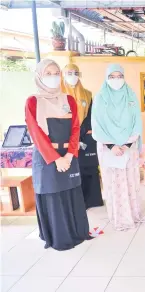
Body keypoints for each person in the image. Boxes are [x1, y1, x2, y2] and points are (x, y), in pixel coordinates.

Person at [25, 59, 91, 250]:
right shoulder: (33, 101)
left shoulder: (68, 100)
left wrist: (70, 154)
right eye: (48, 73)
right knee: (53, 193)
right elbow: (36, 133)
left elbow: (75, 127)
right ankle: (59, 238)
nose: (53, 77)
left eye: (56, 73)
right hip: (47, 158)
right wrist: (55, 158)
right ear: (39, 76)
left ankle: (78, 232)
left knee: (72, 191)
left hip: (69, 155)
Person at [92, 64, 145, 231]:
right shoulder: (100, 97)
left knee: (130, 182)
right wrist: (111, 145)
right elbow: (97, 124)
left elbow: (137, 122)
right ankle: (119, 217)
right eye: (112, 77)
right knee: (114, 184)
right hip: (108, 148)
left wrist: (127, 144)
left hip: (128, 148)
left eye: (119, 76)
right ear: (106, 78)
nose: (116, 80)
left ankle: (133, 214)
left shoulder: (130, 95)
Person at [61, 63, 103, 209]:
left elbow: (90, 116)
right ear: (63, 75)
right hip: (65, 138)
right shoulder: (59, 95)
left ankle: (92, 200)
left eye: (75, 73)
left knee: (89, 168)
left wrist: (80, 133)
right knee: (72, 170)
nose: (73, 76)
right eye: (69, 73)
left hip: (85, 137)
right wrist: (72, 135)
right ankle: (77, 203)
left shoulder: (87, 94)